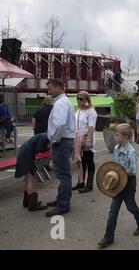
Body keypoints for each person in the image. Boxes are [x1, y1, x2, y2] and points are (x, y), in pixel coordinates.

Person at [97, 124, 139, 248]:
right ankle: (108, 237)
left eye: (117, 135)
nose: (115, 137)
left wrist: (121, 172)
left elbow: (133, 171)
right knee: (113, 210)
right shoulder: (116, 148)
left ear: (125, 137)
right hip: (117, 183)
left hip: (129, 183)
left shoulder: (131, 152)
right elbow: (113, 165)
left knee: (131, 207)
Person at [45, 79, 76, 217]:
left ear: (58, 88)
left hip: (61, 142)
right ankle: (61, 200)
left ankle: (63, 204)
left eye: (50, 89)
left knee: (63, 175)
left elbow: (59, 124)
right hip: (64, 141)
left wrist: (54, 140)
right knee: (64, 174)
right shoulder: (64, 101)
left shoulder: (60, 103)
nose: (48, 91)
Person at [14, 133, 50, 211]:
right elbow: (39, 149)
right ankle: (32, 205)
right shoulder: (45, 137)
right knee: (31, 179)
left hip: (24, 153)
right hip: (27, 155)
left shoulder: (43, 135)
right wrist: (48, 147)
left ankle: (27, 201)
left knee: (28, 178)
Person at [72, 91, 98, 193]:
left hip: (87, 137)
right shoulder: (77, 112)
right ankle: (80, 182)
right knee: (81, 161)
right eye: (77, 98)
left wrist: (89, 140)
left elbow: (91, 127)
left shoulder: (91, 111)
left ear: (86, 99)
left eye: (81, 98)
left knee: (89, 161)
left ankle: (89, 184)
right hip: (78, 139)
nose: (78, 100)